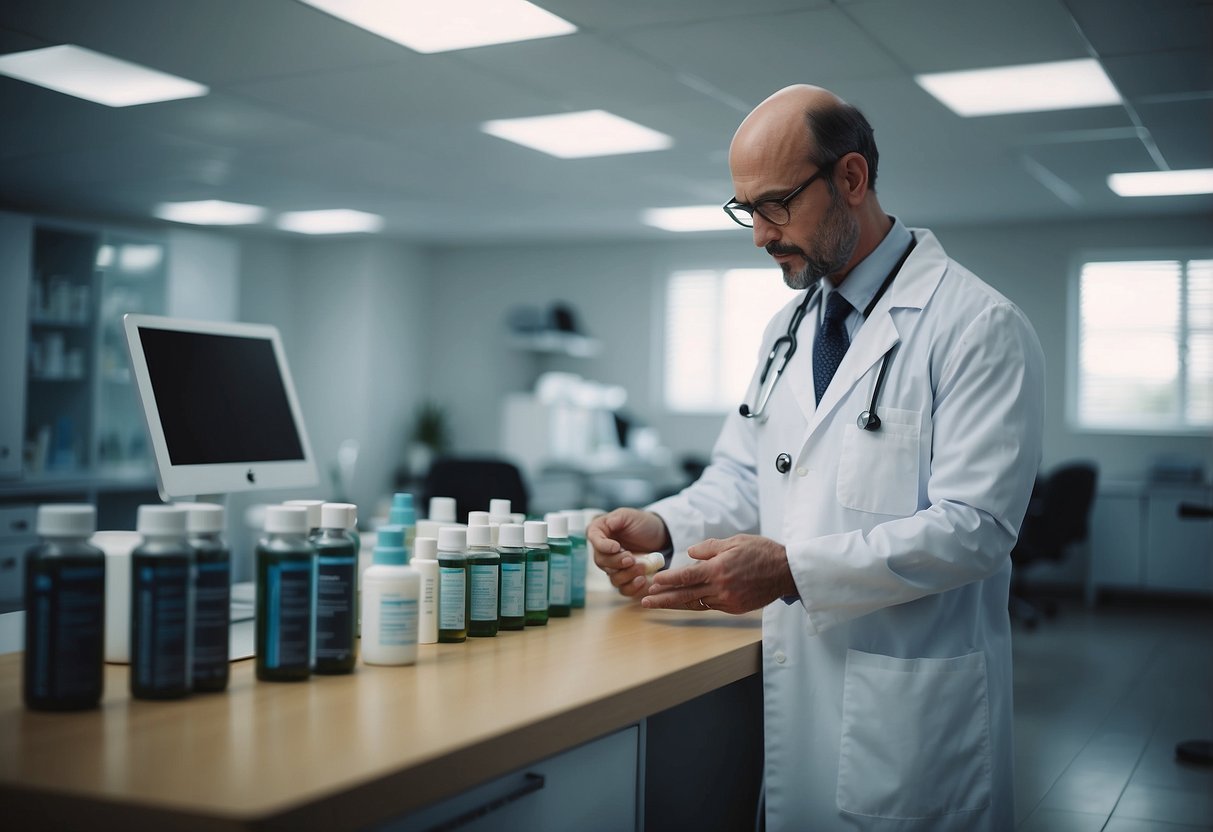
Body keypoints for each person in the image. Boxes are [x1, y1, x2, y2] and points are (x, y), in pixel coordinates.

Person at [588, 84, 1044, 831]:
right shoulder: (785, 327)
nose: (759, 235)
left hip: (909, 712)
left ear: (851, 179)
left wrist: (791, 570)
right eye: (746, 210)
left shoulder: (977, 325)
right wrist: (660, 525)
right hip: (802, 684)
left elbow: (975, 529)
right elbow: (744, 475)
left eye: (775, 205)